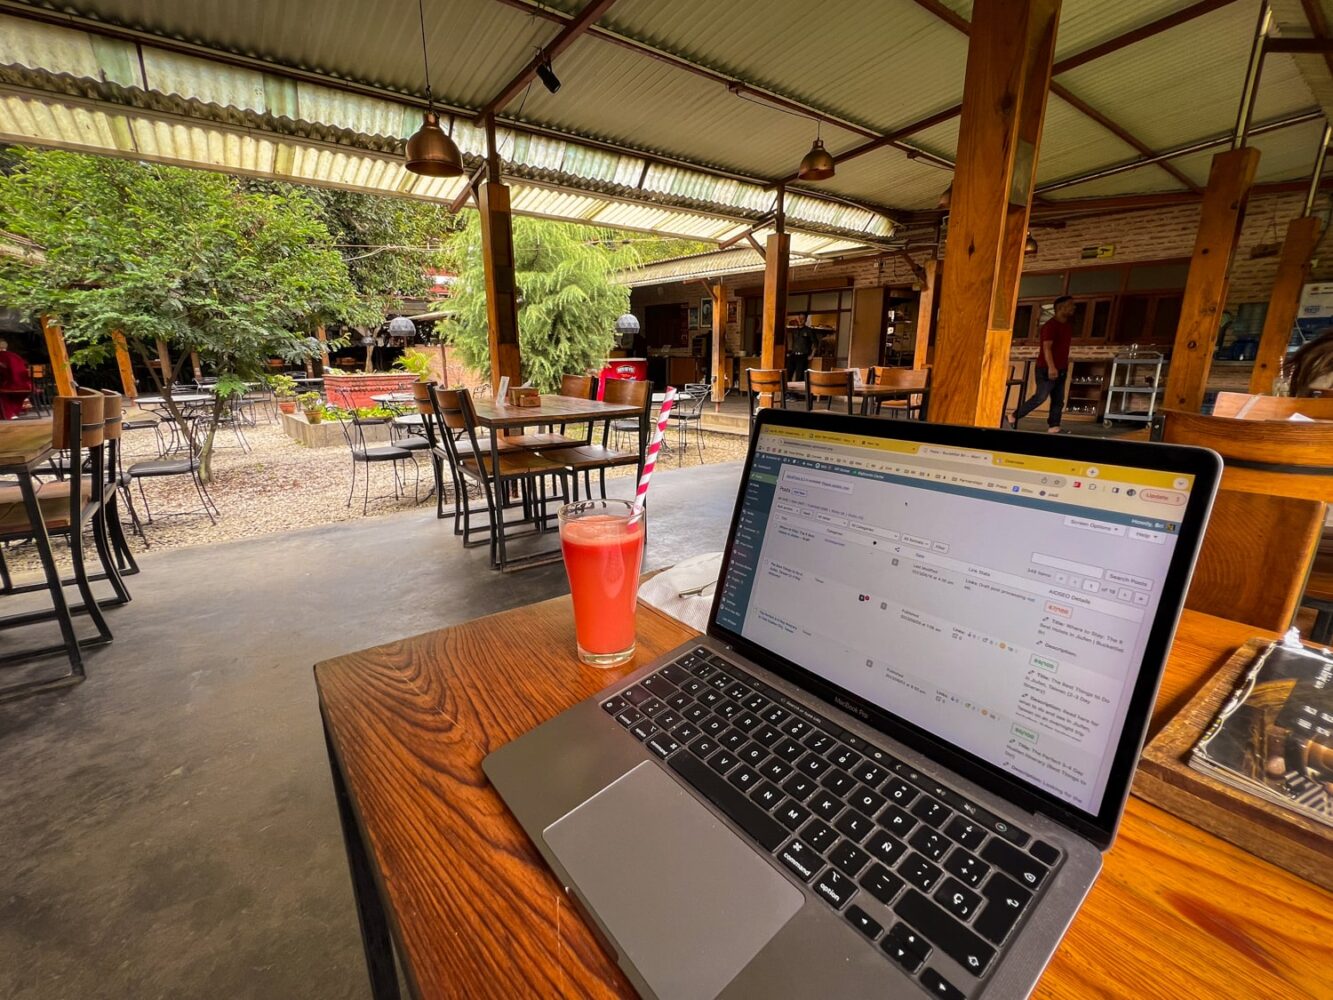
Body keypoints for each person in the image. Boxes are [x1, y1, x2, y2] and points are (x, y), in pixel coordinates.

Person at [1010, 296, 1076, 433]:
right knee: (1040, 397)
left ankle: (1054, 426)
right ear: (1060, 308)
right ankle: (1012, 416)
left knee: (1058, 400)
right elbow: (1047, 347)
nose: (1073, 307)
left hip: (1062, 368)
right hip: (1046, 368)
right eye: (1070, 305)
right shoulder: (1050, 326)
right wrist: (1052, 367)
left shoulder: (1067, 327)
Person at [0, 338, 33, 420]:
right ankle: (13, 412)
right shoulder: (15, 356)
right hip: (26, 385)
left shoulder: (2, 356)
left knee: (1, 391)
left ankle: (8, 413)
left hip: (13, 384)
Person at [786, 315, 816, 382]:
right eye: (799, 318)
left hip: (803, 355)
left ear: (805, 320)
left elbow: (815, 343)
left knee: (799, 376)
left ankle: (798, 392)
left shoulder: (809, 330)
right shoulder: (795, 330)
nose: (800, 320)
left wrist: (812, 355)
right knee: (788, 373)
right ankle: (788, 391)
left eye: (802, 318)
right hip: (793, 354)